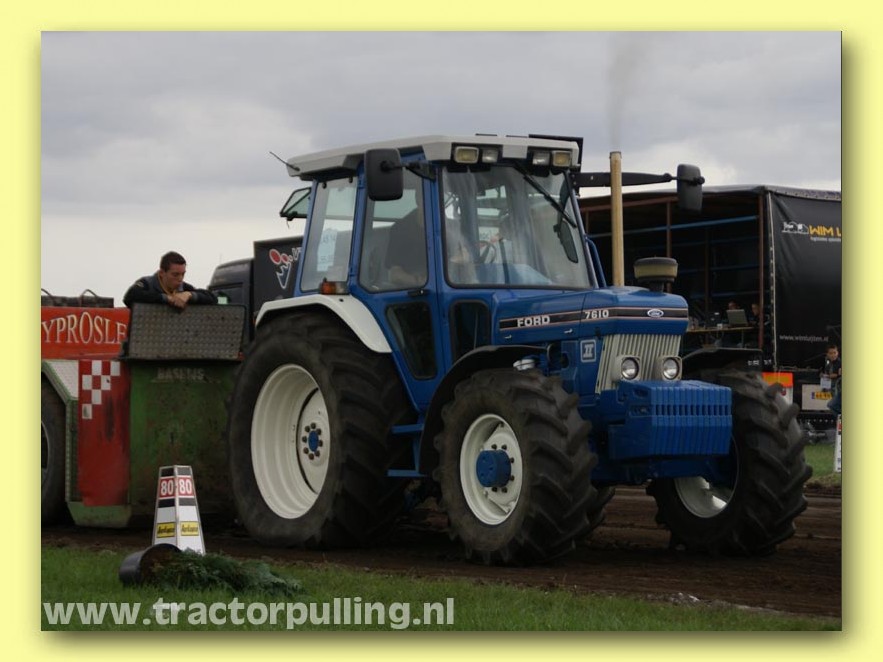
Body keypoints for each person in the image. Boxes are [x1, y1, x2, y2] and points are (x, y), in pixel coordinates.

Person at [123, 251, 217, 309]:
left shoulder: (184, 288)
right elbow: (130, 296)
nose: (180, 279)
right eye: (175, 275)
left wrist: (190, 295)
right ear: (162, 273)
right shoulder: (147, 283)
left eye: (183, 274)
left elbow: (212, 298)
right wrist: (167, 298)